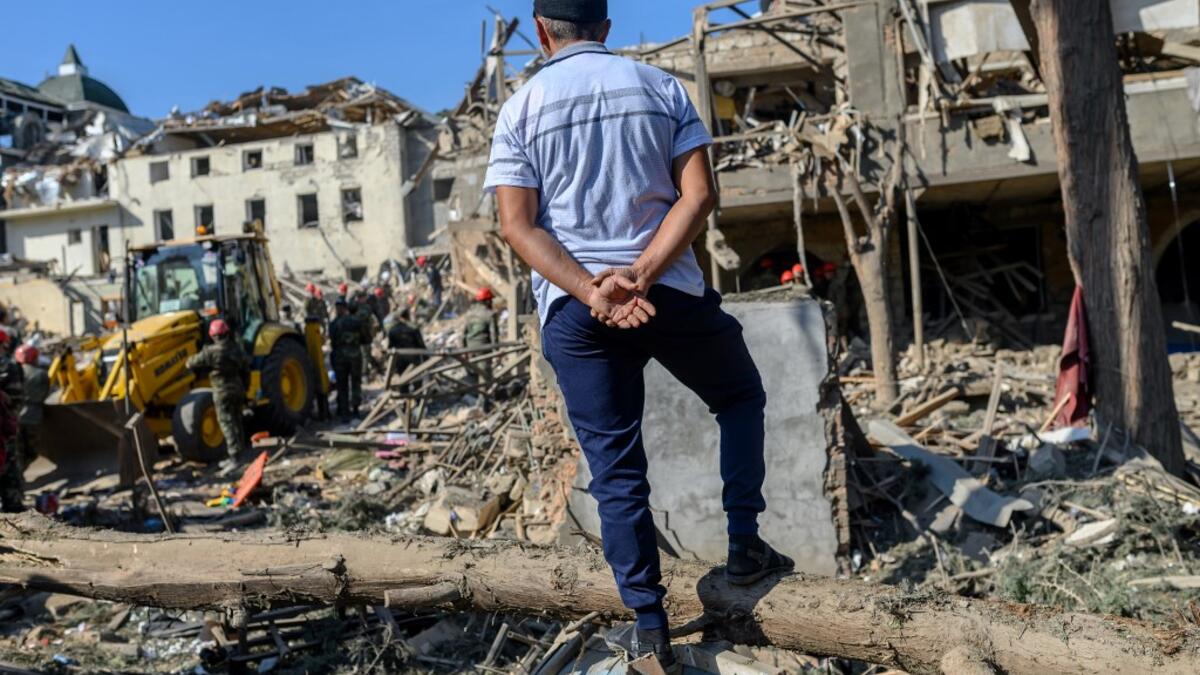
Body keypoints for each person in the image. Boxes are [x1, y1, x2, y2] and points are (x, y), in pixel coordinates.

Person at [486, 1, 793, 667]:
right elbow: (700, 194)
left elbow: (518, 225)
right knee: (738, 395)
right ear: (605, 28)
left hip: (577, 310)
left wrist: (593, 288)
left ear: (542, 32)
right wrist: (645, 272)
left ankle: (649, 627)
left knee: (616, 468)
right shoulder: (660, 87)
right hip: (670, 293)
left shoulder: (522, 107)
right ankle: (745, 547)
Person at [186, 320, 251, 475]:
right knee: (237, 421)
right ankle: (240, 455)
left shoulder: (210, 352)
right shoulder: (235, 349)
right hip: (237, 390)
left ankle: (235, 459)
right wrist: (245, 388)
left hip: (222, 393)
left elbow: (190, 363)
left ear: (213, 336)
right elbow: (246, 368)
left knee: (226, 423)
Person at [329, 298, 364, 421]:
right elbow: (365, 338)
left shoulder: (333, 324)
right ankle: (355, 410)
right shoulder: (356, 321)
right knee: (355, 383)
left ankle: (344, 412)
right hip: (354, 355)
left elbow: (332, 341)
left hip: (339, 357)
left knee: (342, 385)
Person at [14, 345, 47, 470]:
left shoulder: (12, 372)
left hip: (14, 417)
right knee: (31, 451)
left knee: (18, 451)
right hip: (33, 416)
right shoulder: (40, 374)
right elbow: (44, 393)